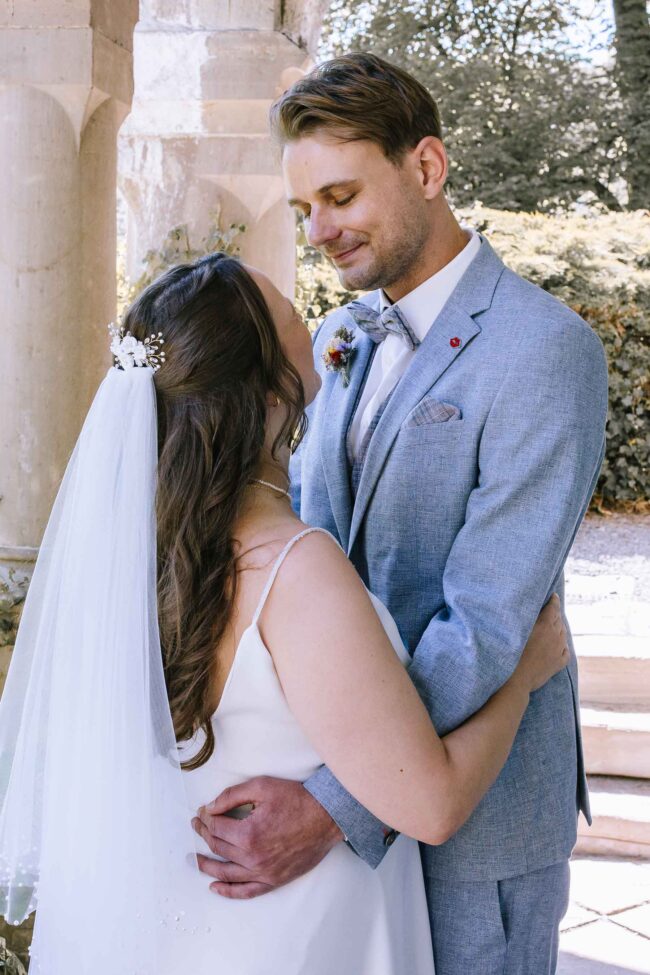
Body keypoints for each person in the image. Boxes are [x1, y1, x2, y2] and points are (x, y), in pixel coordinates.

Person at [0, 252, 568, 975]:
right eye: (293, 317)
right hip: (303, 937)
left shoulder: (144, 555)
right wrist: (522, 675)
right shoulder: (292, 569)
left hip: (197, 928)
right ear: (266, 393)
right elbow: (432, 803)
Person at [196, 54, 609, 975]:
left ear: (427, 167)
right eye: (306, 210)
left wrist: (332, 799)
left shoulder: (545, 351)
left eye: (340, 196)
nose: (320, 232)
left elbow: (490, 619)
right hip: (358, 777)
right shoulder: (338, 338)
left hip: (478, 822)